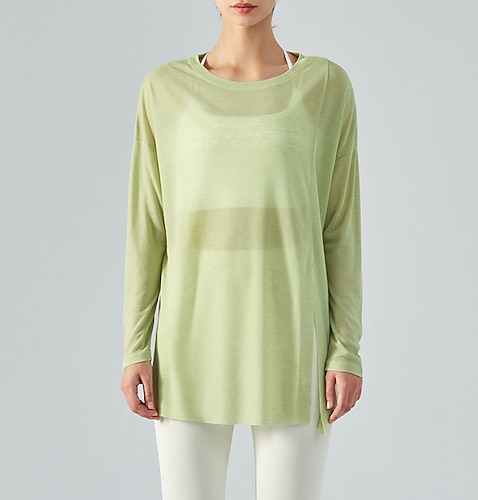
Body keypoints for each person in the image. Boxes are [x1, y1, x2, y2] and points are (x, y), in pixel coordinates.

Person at [120, 1, 363, 499]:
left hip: (293, 339)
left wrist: (346, 350)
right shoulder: (164, 89)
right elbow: (148, 226)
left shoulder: (325, 86)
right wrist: (135, 345)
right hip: (189, 341)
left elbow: (339, 228)